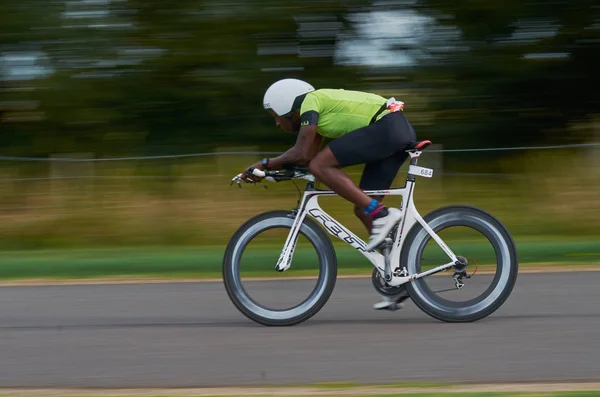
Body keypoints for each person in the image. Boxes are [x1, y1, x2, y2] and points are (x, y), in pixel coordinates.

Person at [241, 78, 417, 310]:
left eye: (275, 116)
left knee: (325, 169)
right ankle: (396, 274)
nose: (276, 123)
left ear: (286, 105)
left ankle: (382, 214)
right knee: (362, 207)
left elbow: (302, 153)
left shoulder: (311, 103)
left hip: (388, 127)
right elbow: (304, 160)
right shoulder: (319, 119)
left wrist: (265, 163)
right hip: (393, 130)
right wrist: (273, 173)